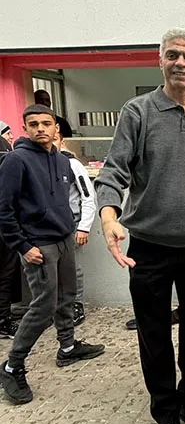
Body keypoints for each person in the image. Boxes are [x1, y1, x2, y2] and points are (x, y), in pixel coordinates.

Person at [95, 28, 185, 424]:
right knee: (154, 335)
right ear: (160, 60)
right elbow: (113, 171)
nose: (181, 63)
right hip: (147, 248)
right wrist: (108, 217)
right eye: (173, 55)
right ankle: (166, 418)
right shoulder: (138, 112)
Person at [0, 105, 105, 405]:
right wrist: (23, 246)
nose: (40, 129)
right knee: (43, 306)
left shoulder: (61, 160)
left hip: (63, 239)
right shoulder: (16, 161)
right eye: (33, 124)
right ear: (25, 128)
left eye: (46, 123)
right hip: (38, 246)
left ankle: (68, 347)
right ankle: (12, 366)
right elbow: (4, 210)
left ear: (56, 128)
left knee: (67, 296)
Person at [54, 130, 96, 325]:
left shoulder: (72, 164)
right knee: (50, 270)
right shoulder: (36, 164)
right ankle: (55, 307)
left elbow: (88, 196)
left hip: (72, 225)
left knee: (72, 268)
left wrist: (84, 227)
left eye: (55, 139)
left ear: (62, 142)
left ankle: (75, 305)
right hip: (47, 227)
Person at [0, 123, 20, 339]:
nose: (11, 136)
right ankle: (3, 320)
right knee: (5, 272)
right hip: (4, 223)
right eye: (8, 133)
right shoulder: (6, 154)